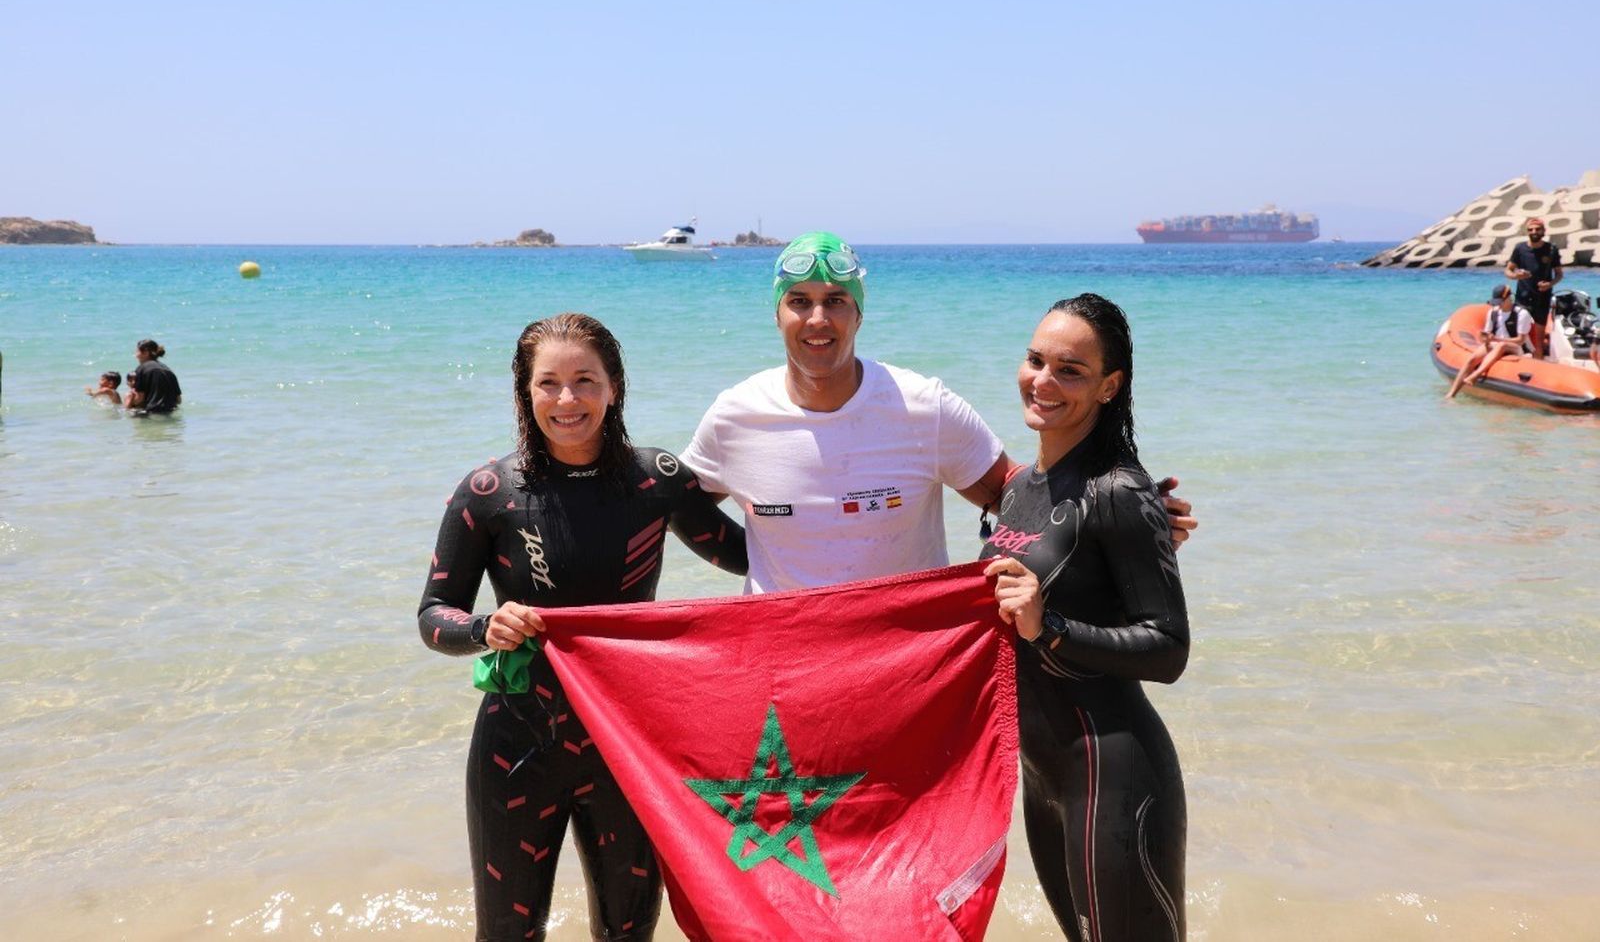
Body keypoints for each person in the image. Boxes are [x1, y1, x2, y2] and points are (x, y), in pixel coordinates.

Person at [416, 313, 746, 942]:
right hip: (516, 744)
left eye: (585, 380)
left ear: (614, 386)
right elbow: (434, 616)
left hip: (629, 745)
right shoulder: (490, 493)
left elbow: (760, 559)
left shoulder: (657, 480)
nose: (567, 400)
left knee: (627, 934)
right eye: (548, 384)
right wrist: (485, 627)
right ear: (525, 392)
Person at [679, 232, 1194, 596]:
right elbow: (673, 505)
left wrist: (1118, 516)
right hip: (784, 655)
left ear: (859, 312)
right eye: (799, 301)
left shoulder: (923, 406)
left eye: (836, 300)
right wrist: (753, 559)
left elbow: (1015, 495)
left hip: (903, 659)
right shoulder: (736, 415)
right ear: (777, 314)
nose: (818, 318)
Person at [983, 294, 1188, 941]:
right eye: (1035, 360)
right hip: (1044, 775)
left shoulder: (1119, 490)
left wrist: (1051, 627)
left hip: (1115, 772)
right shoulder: (1020, 487)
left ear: (1109, 386)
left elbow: (1168, 648)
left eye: (1069, 370)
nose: (1042, 381)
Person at [1447, 285, 1533, 399]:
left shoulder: (1521, 313)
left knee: (1501, 345)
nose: (1498, 304)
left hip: (1516, 347)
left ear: (1509, 298)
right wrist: (1486, 340)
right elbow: (1487, 334)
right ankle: (1452, 393)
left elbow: (1520, 340)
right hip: (1495, 343)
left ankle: (1475, 376)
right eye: (1496, 302)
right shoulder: (1493, 312)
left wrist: (1496, 339)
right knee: (1472, 359)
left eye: (1501, 301)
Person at [1504, 217, 1564, 358]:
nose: (1534, 232)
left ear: (1544, 231)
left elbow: (1559, 274)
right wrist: (1516, 276)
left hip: (1542, 298)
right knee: (1519, 334)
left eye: (1537, 229)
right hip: (1522, 298)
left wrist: (1550, 284)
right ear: (1527, 232)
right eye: (1530, 230)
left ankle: (1539, 362)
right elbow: (1508, 270)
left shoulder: (1551, 249)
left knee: (1538, 339)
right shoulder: (1520, 249)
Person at [124, 339, 182, 413]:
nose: (136, 356)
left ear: (146, 353)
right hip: (170, 412)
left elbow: (139, 399)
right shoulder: (168, 370)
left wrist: (129, 399)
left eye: (137, 352)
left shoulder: (142, 368)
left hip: (151, 413)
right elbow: (178, 400)